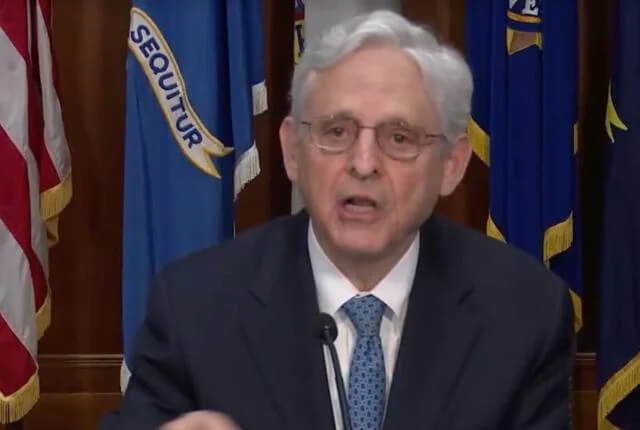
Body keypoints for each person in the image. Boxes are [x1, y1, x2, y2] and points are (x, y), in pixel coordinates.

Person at [101, 10, 574, 430]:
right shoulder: (195, 305)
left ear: (451, 164)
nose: (363, 162)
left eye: (400, 137)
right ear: (291, 150)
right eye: (336, 131)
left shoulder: (523, 312)